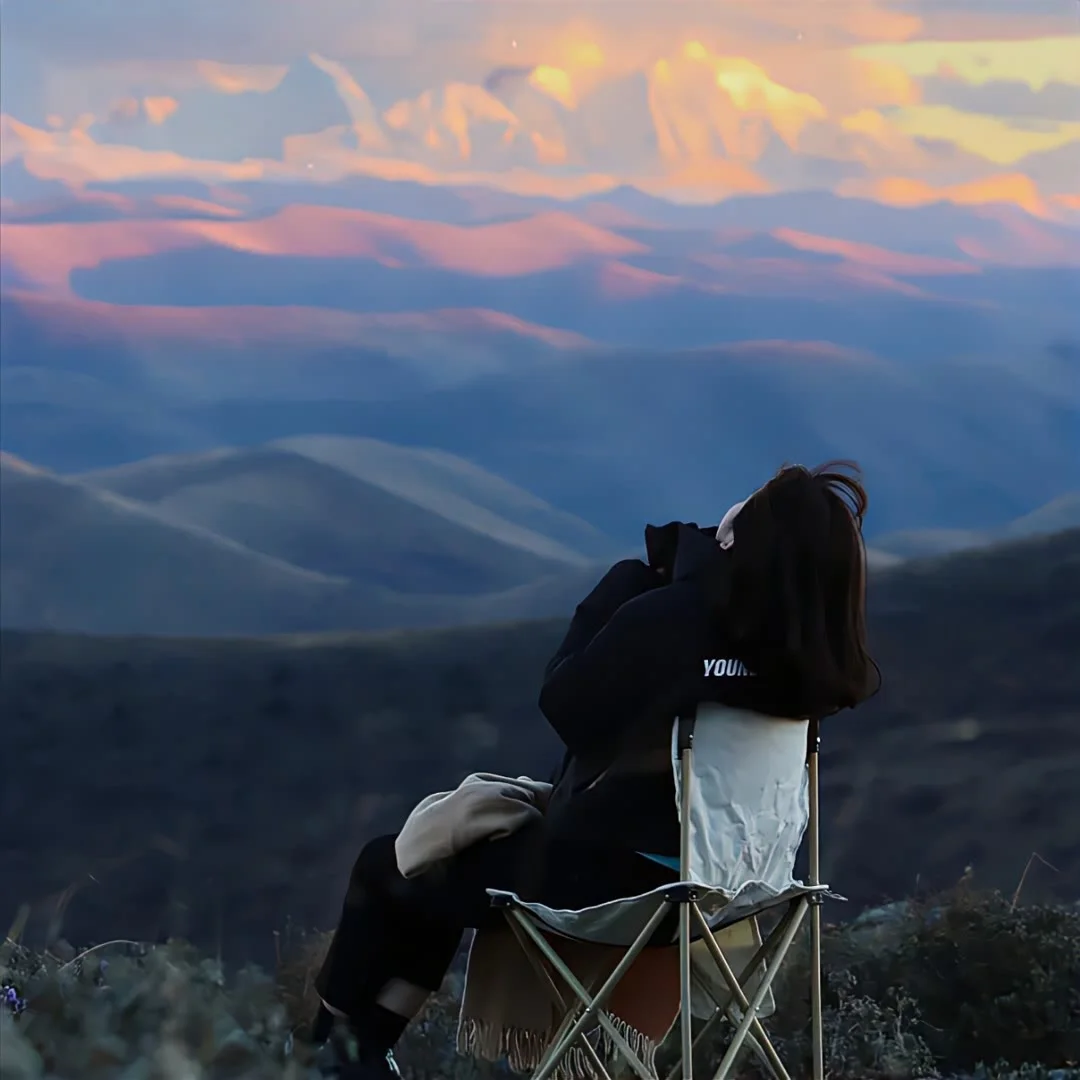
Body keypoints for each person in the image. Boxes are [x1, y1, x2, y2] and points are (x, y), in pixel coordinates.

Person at [310, 460, 881, 1078]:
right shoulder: (812, 663)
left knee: (393, 864)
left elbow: (565, 703)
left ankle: (340, 1052)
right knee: (442, 866)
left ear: (740, 541)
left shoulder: (677, 617)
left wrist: (631, 581)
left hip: (617, 889)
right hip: (736, 893)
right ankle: (357, 1054)